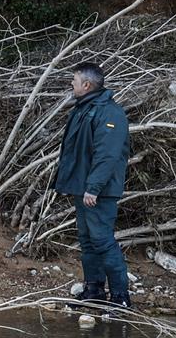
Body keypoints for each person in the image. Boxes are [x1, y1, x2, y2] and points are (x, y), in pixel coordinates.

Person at [53, 61, 132, 308]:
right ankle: (93, 291)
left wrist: (94, 187)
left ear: (86, 85)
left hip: (99, 192)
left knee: (102, 240)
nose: (71, 85)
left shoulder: (110, 113)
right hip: (83, 188)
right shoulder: (83, 109)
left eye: (74, 81)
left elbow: (107, 155)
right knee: (87, 241)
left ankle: (120, 297)